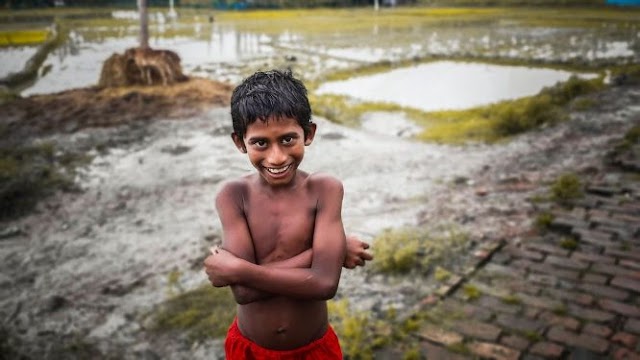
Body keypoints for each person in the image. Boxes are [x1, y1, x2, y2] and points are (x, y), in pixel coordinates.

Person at [203, 69, 372, 359]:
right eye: (260, 143)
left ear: (308, 134)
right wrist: (326, 253)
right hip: (250, 350)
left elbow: (324, 284)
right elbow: (244, 294)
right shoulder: (234, 196)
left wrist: (239, 269)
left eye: (287, 139)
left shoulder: (324, 189)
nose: (277, 157)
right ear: (239, 142)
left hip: (314, 350)